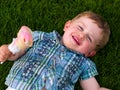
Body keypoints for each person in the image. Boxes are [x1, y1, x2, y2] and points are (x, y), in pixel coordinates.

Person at [0, 11, 110, 90]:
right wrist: (7, 50)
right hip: (19, 86)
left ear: (90, 53)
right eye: (80, 28)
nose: (81, 35)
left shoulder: (83, 63)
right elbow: (17, 51)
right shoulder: (40, 37)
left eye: (89, 38)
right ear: (67, 26)